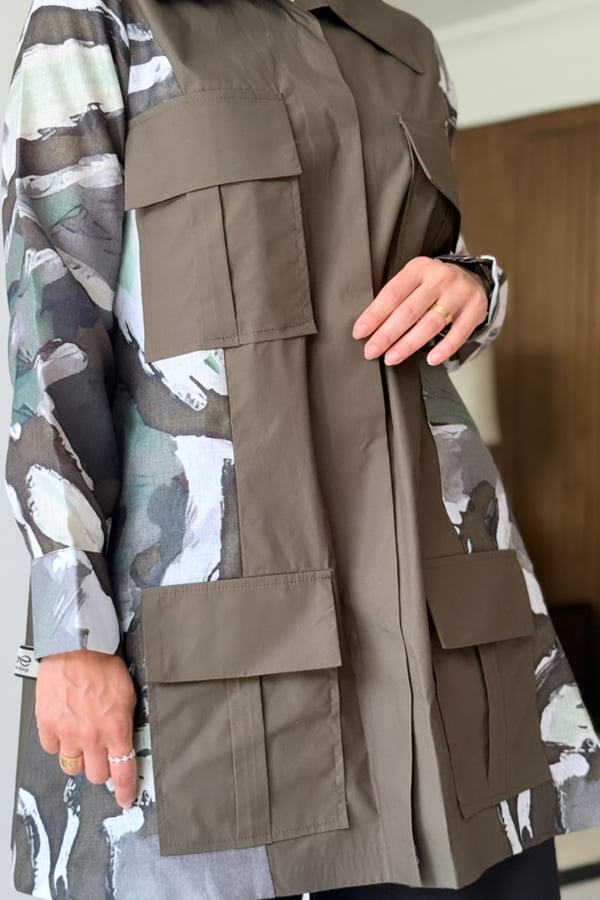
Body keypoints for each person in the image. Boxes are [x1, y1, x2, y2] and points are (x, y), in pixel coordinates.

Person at [2, 0, 600, 898]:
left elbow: (429, 269)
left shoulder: (407, 49)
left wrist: (472, 288)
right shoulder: (102, 22)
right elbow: (50, 337)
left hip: (444, 628)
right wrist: (70, 635)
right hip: (226, 659)